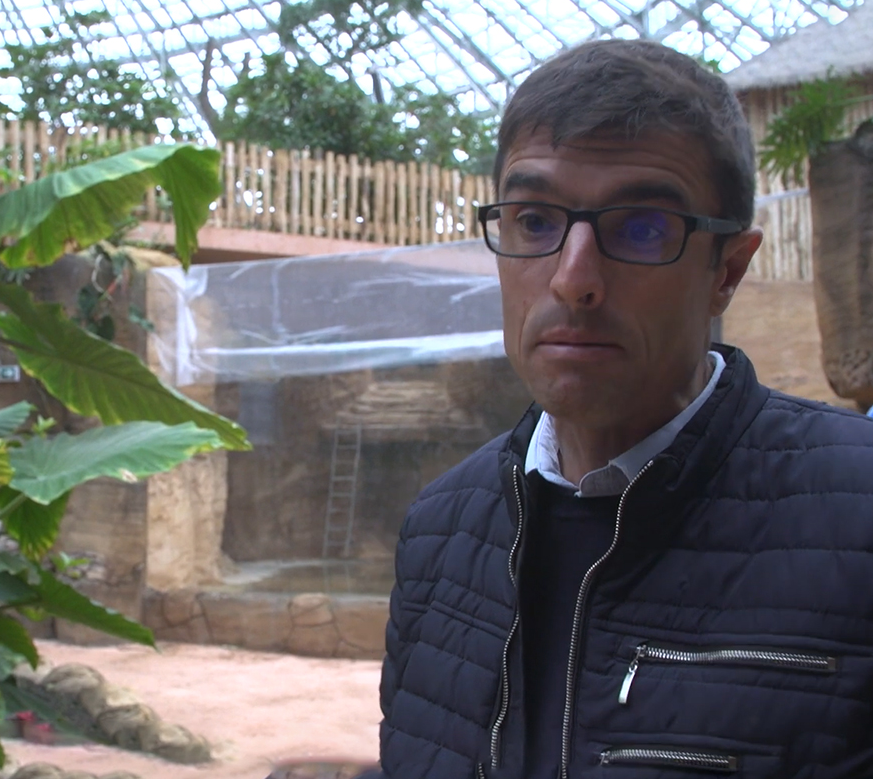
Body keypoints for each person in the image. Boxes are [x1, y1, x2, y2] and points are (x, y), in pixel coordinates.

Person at [369, 39, 873, 779]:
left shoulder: (858, 519)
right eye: (536, 222)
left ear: (726, 271)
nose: (574, 280)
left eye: (641, 228)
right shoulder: (440, 532)